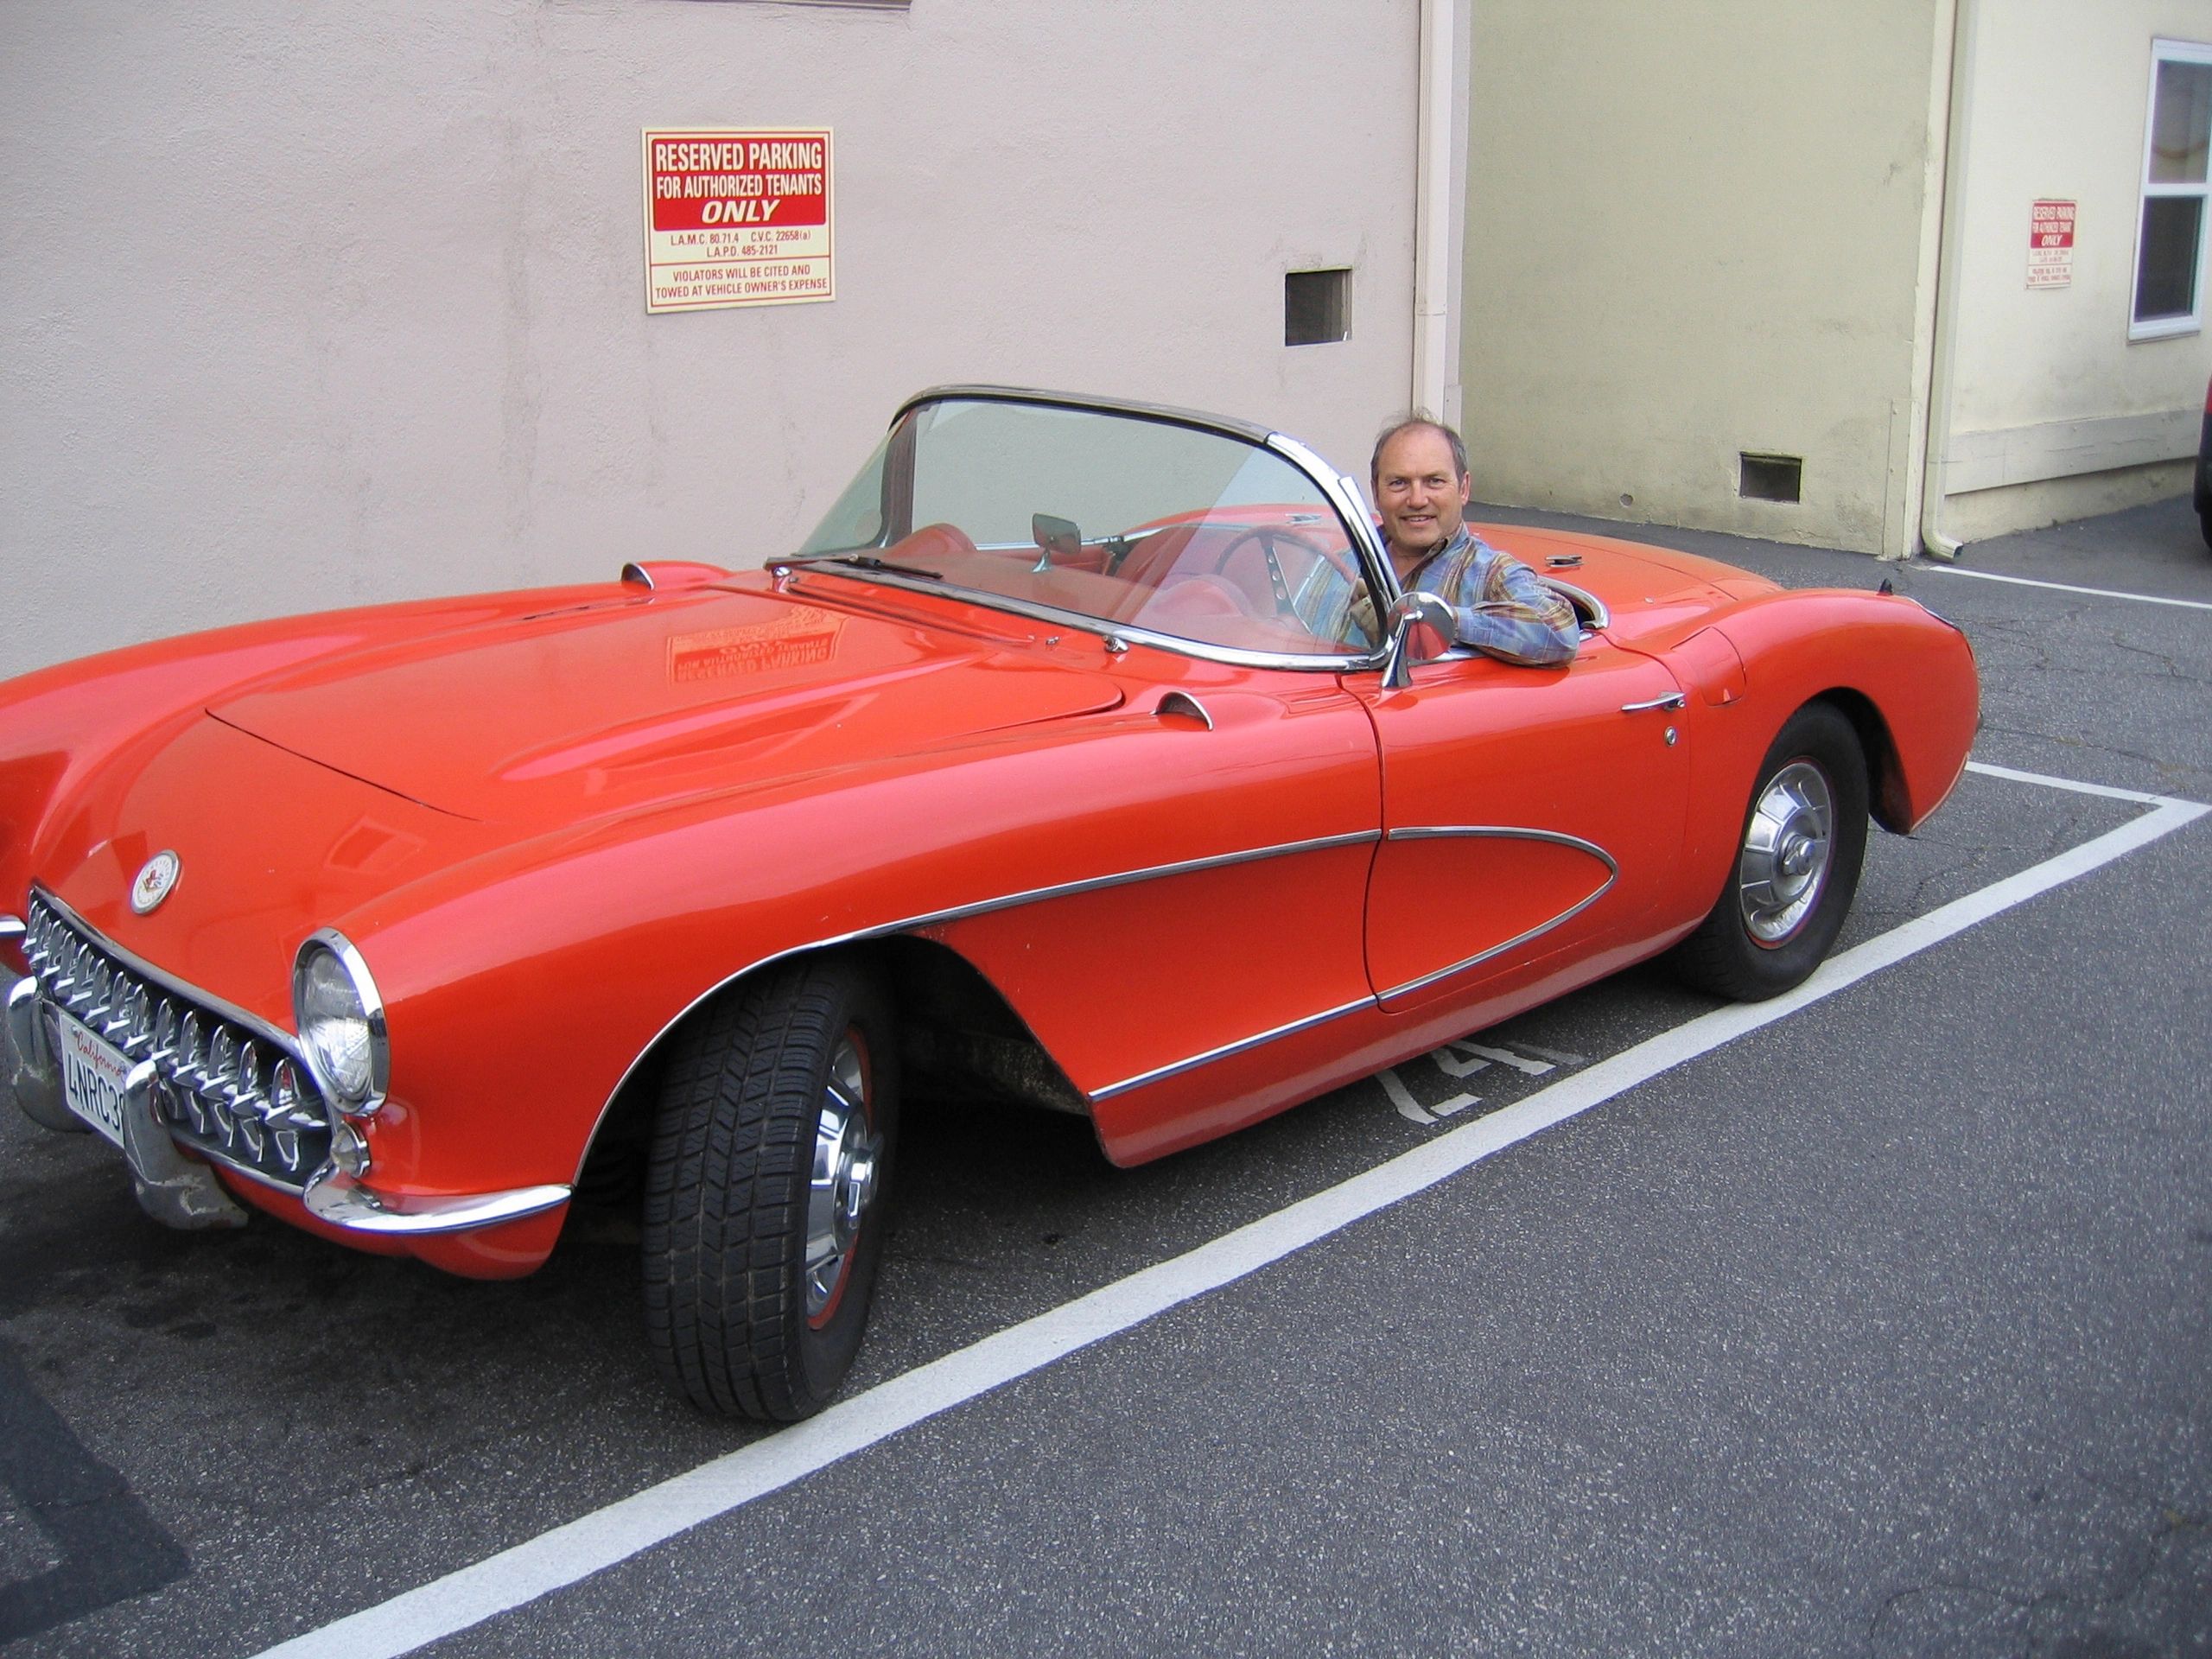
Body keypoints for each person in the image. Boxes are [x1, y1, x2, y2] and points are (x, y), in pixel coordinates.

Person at [1364, 416, 1579, 667]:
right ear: (1376, 493)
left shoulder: (1488, 572)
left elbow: (1560, 633)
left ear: (1463, 488)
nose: (1417, 499)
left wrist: (1434, 622)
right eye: (1399, 483)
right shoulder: (1346, 561)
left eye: (1434, 481)